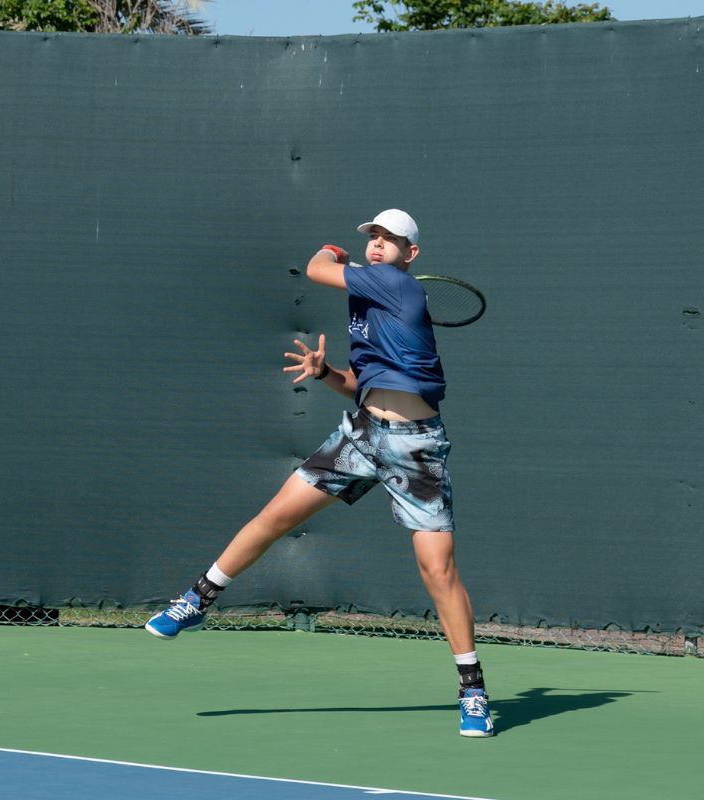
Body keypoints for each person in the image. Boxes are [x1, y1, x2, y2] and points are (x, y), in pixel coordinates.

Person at [145, 209, 493, 738]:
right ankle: (196, 601)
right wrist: (327, 374)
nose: (378, 245)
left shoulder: (396, 285)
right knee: (275, 516)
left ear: (410, 255)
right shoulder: (369, 304)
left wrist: (334, 250)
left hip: (415, 449)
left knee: (437, 571)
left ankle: (472, 693)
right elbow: (368, 385)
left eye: (390, 239)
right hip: (359, 434)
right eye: (372, 237)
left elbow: (315, 268)